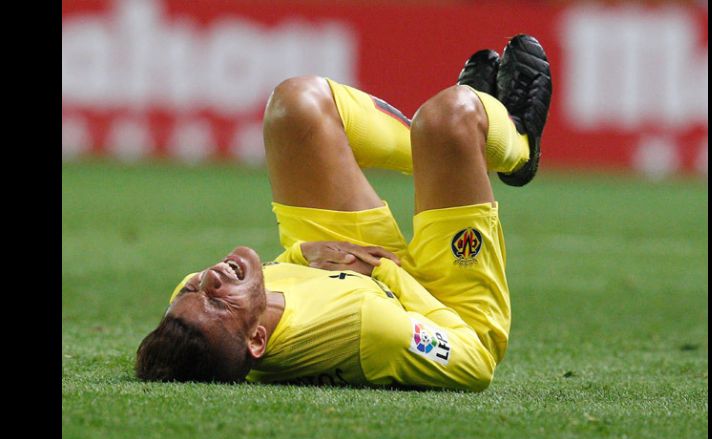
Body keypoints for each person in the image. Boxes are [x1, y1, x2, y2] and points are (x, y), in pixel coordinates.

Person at [135, 34, 552, 392]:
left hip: (339, 258)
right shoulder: (367, 330)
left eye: (192, 290)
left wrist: (303, 255)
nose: (206, 278)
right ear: (258, 340)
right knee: (455, 115)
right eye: (215, 299)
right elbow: (475, 361)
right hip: (437, 306)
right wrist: (386, 275)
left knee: (295, 104)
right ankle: (514, 142)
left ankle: (444, 146)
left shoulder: (192, 321)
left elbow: (211, 302)